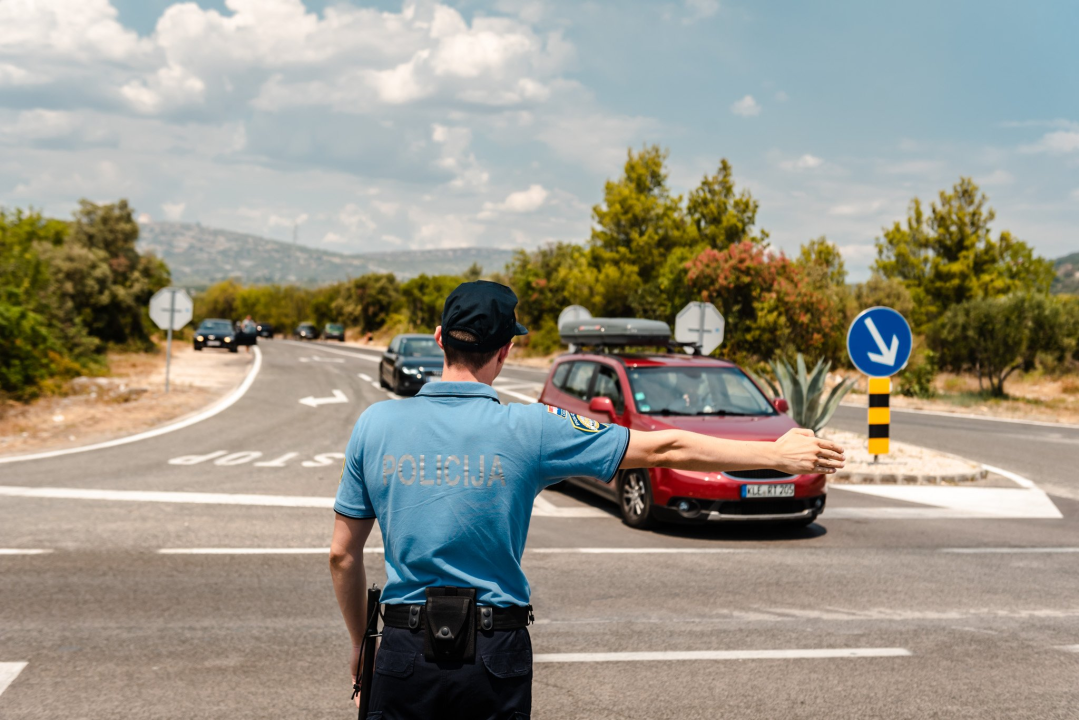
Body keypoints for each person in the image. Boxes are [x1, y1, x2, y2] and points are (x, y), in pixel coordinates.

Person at [329, 281, 845, 719]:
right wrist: (774, 454)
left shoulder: (376, 424)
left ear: (440, 339)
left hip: (400, 648)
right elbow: (666, 444)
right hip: (493, 650)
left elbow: (342, 555)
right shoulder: (531, 427)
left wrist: (360, 643)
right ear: (505, 351)